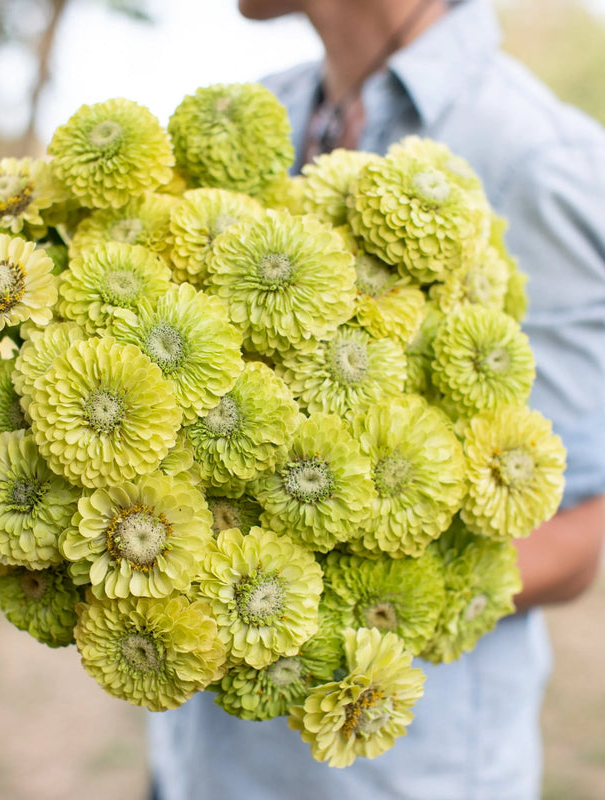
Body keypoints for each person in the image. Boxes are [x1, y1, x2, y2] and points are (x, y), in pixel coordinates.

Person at [147, 1, 605, 798]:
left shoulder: (535, 156)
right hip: (201, 763)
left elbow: (578, 532)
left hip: (394, 777)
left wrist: (302, 603)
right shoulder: (265, 111)